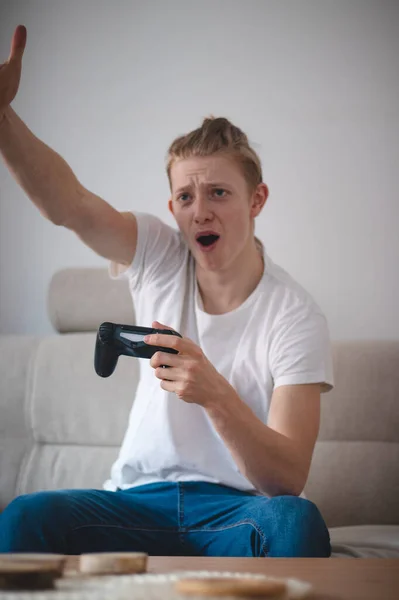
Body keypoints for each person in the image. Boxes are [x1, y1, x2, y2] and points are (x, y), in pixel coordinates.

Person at [0, 26, 333, 557]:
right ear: (173, 207)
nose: (200, 210)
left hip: (234, 513)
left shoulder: (296, 315)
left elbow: (286, 478)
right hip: (135, 504)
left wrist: (216, 393)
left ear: (257, 200)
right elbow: (71, 205)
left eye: (219, 192)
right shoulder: (159, 252)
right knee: (24, 518)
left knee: (297, 523)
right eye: (185, 196)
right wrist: (3, 116)